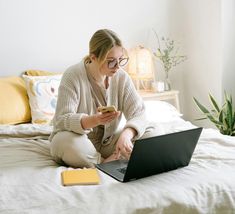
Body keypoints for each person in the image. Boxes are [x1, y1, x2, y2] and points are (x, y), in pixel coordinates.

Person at [49, 29, 156, 168]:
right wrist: (94, 120)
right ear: (93, 57)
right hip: (79, 142)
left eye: (121, 60)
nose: (117, 67)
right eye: (111, 62)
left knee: (153, 130)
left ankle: (109, 160)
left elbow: (138, 113)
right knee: (64, 142)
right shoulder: (72, 76)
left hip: (108, 143)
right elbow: (61, 120)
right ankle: (105, 163)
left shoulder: (121, 77)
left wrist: (126, 135)